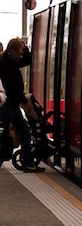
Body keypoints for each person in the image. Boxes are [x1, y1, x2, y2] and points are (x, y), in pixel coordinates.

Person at [0, 37, 43, 172]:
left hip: (12, 105)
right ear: (15, 49)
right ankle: (27, 163)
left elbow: (28, 60)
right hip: (9, 105)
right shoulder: (9, 64)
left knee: (22, 133)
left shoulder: (8, 60)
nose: (22, 52)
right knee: (8, 134)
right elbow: (14, 86)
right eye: (21, 49)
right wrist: (24, 101)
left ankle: (28, 163)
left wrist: (26, 48)